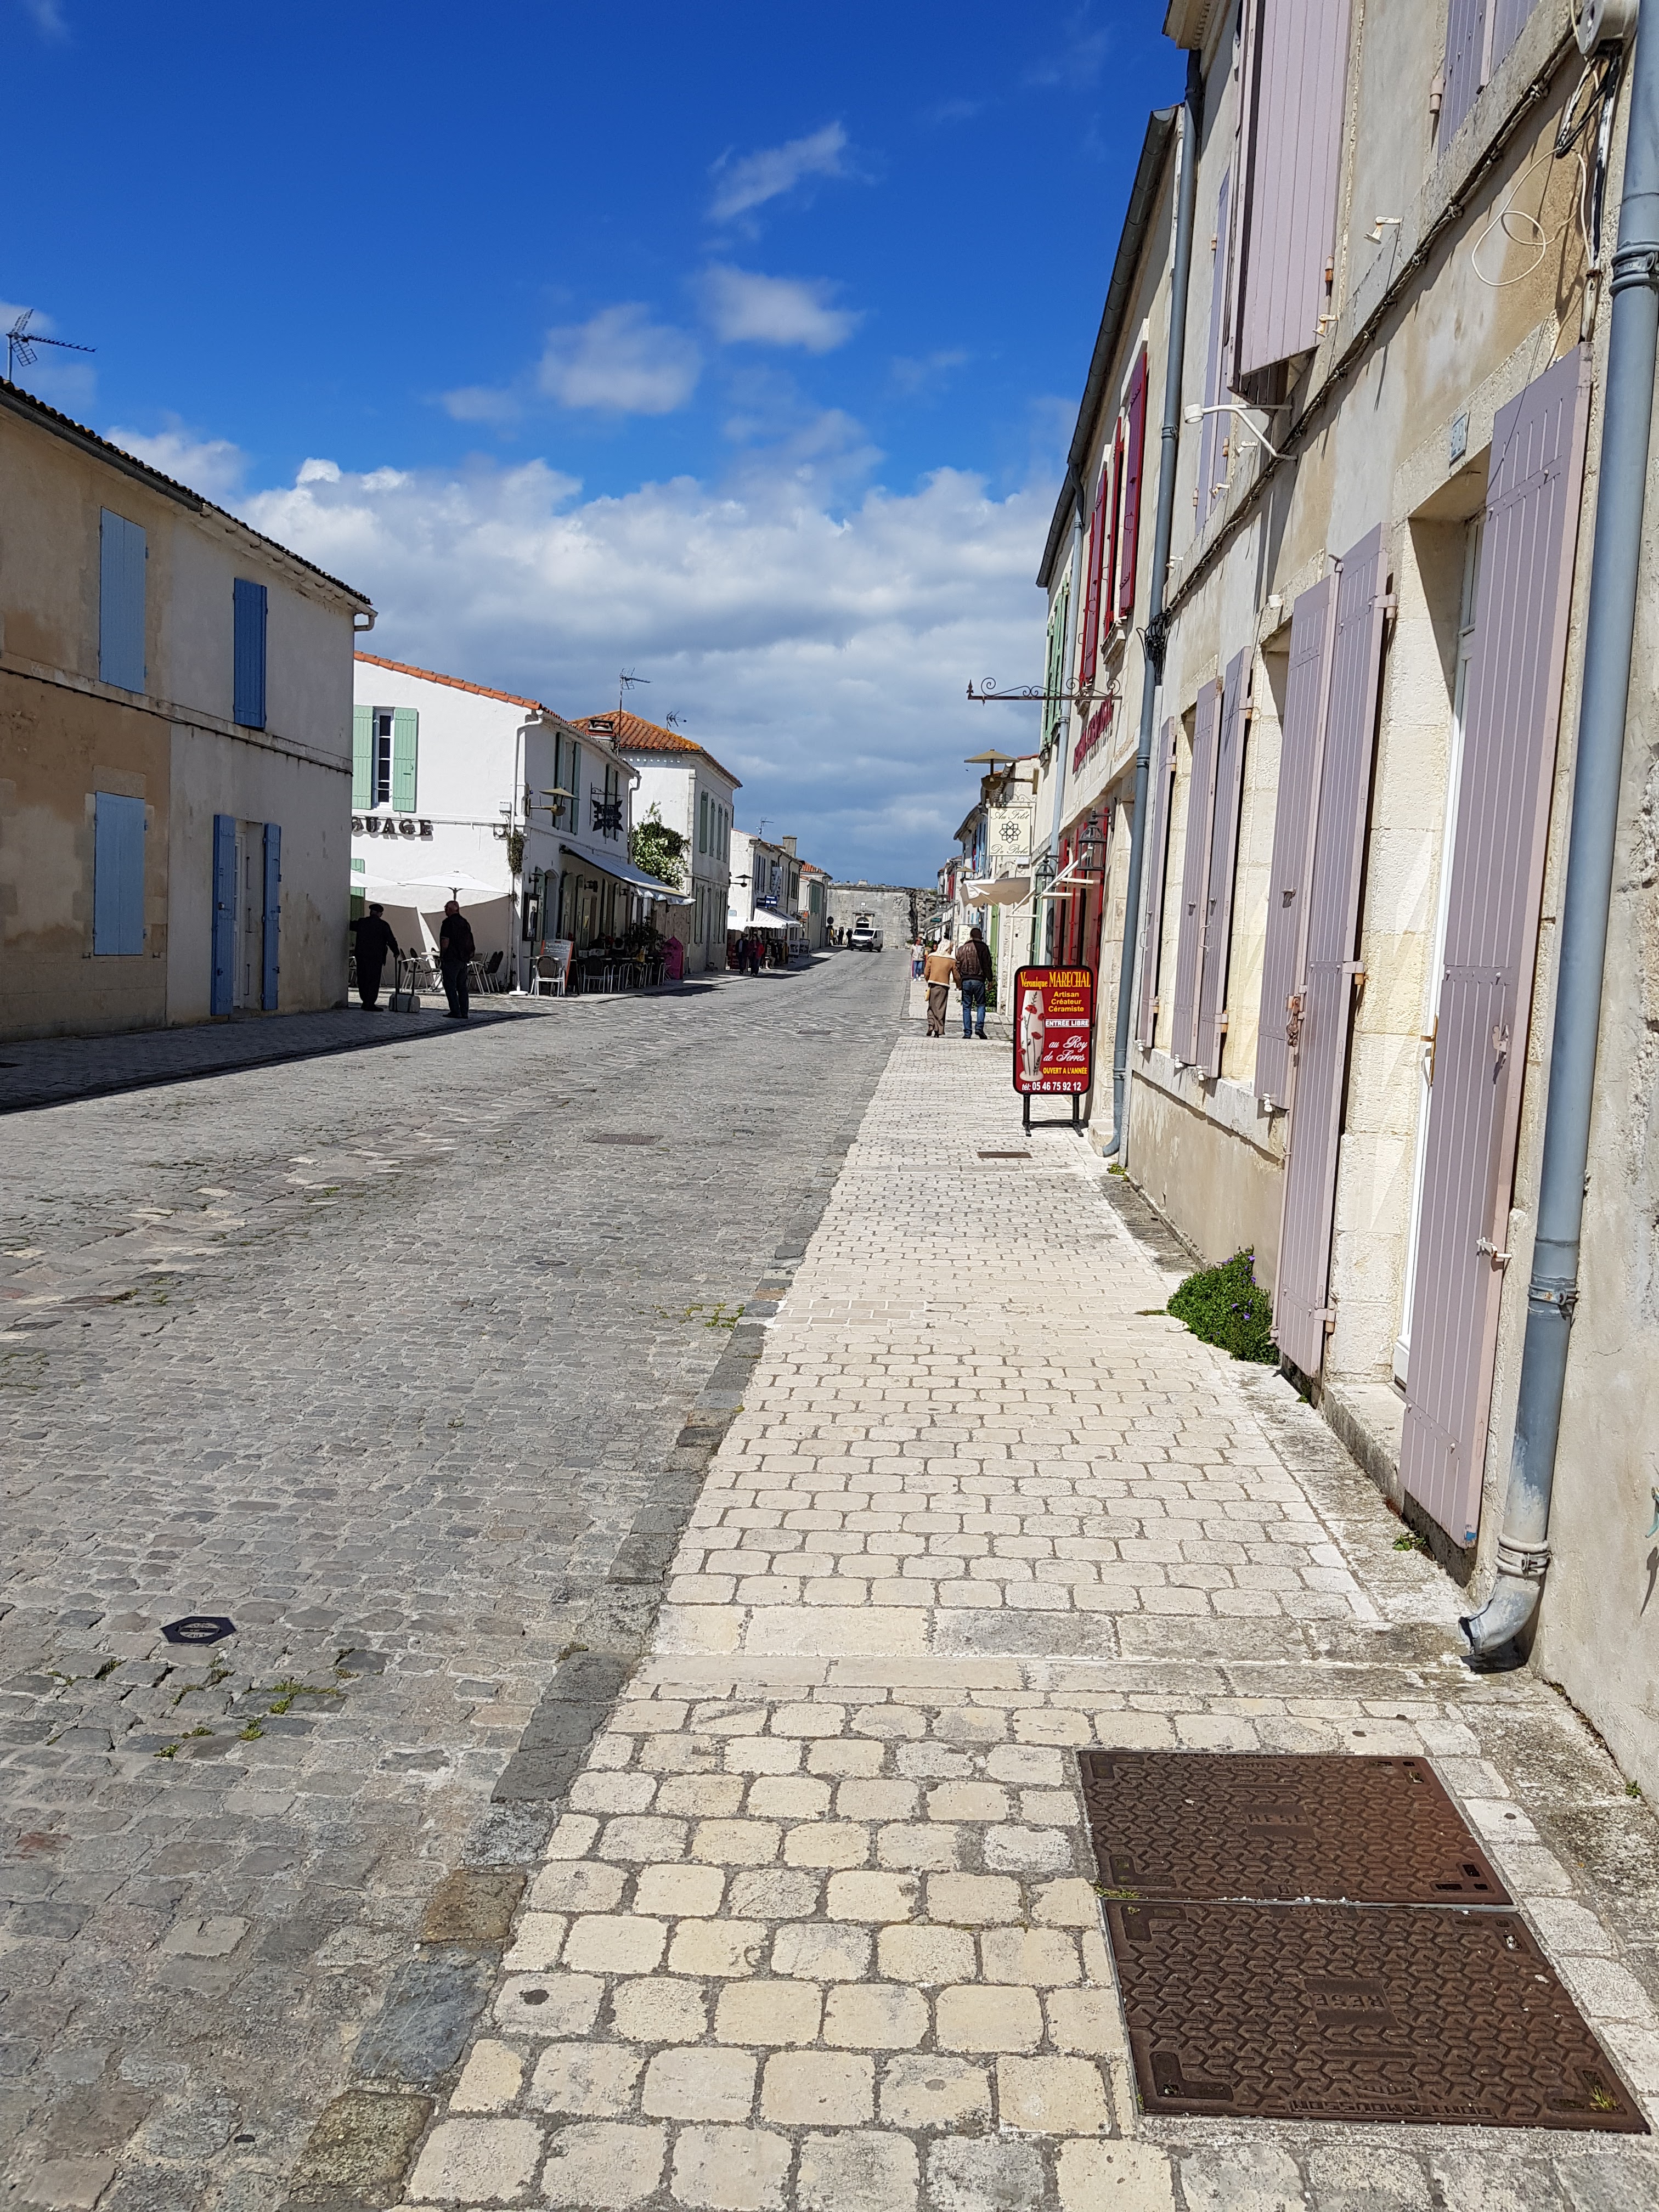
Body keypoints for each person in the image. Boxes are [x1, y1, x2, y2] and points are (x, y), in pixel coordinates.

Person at [351, 904, 402, 1009]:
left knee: (363, 979)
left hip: (362, 956)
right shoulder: (383, 925)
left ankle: (365, 1001)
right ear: (380, 914)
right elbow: (391, 940)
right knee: (373, 980)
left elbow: (351, 925)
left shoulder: (362, 923)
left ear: (371, 912)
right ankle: (370, 1003)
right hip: (376, 957)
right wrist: (396, 952)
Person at [955, 926, 995, 1040]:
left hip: (966, 980)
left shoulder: (962, 949)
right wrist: (990, 980)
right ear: (980, 937)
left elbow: (957, 966)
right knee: (981, 1005)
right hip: (979, 980)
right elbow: (987, 965)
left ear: (971, 936)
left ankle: (967, 1032)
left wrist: (959, 981)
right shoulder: (983, 948)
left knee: (967, 1007)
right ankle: (979, 1027)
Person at [438, 899, 476, 1019]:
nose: (445, 910)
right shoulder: (465, 923)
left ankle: (455, 1011)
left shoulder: (448, 923)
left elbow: (445, 941)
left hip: (451, 958)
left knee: (450, 986)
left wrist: (442, 956)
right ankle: (464, 1012)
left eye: (446, 908)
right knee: (462, 987)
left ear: (450, 909)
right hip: (463, 959)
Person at [922, 937, 956, 1037]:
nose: (952, 950)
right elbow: (956, 975)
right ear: (948, 948)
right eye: (951, 948)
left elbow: (926, 972)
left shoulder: (932, 957)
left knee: (932, 1006)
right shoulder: (951, 960)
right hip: (943, 985)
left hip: (933, 983)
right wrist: (959, 984)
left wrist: (929, 980)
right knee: (941, 1007)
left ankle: (931, 1024)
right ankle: (938, 1030)